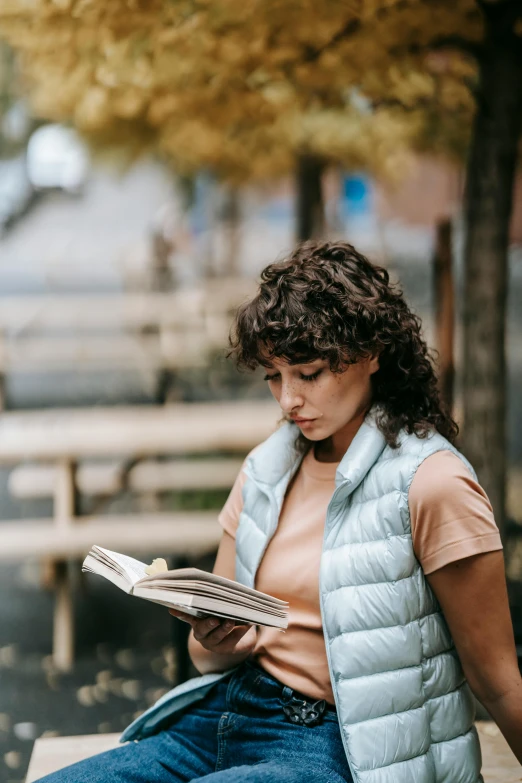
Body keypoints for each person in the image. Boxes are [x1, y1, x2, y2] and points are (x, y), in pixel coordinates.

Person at [38, 241, 522, 783]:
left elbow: (498, 679)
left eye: (308, 374)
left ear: (373, 354)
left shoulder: (432, 481)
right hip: (221, 716)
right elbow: (213, 655)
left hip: (335, 744)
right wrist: (214, 638)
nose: (287, 400)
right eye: (273, 375)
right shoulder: (266, 468)